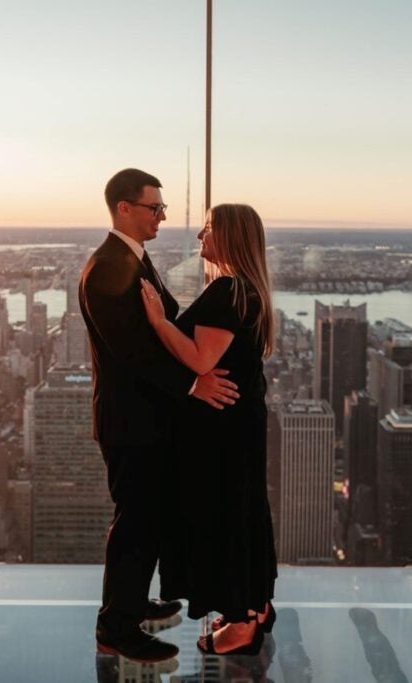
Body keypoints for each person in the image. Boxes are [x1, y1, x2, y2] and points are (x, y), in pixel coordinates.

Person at [79, 168, 240, 663]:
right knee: (135, 521)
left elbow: (163, 327)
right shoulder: (109, 266)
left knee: (146, 518)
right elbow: (132, 351)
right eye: (155, 208)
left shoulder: (133, 260)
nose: (163, 217)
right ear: (124, 208)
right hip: (131, 422)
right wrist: (195, 383)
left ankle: (130, 603)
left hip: (146, 419)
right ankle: (117, 628)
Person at [139, 203, 278, 655]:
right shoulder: (248, 291)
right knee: (242, 507)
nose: (200, 236)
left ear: (232, 237)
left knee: (223, 513)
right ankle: (254, 605)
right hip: (239, 421)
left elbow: (200, 359)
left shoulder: (229, 292)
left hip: (222, 429)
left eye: (210, 228)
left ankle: (241, 626)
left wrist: (158, 321)